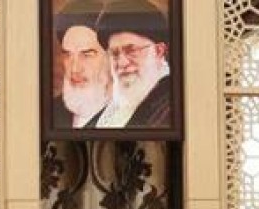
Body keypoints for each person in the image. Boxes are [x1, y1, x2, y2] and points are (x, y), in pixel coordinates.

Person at [94, 0, 171, 129]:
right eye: (115, 54)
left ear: (159, 51)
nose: (122, 63)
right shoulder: (109, 113)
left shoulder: (170, 105)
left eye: (132, 51)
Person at [53, 0, 112, 129]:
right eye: (68, 55)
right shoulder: (50, 112)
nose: (74, 69)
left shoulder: (134, 114)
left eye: (87, 55)